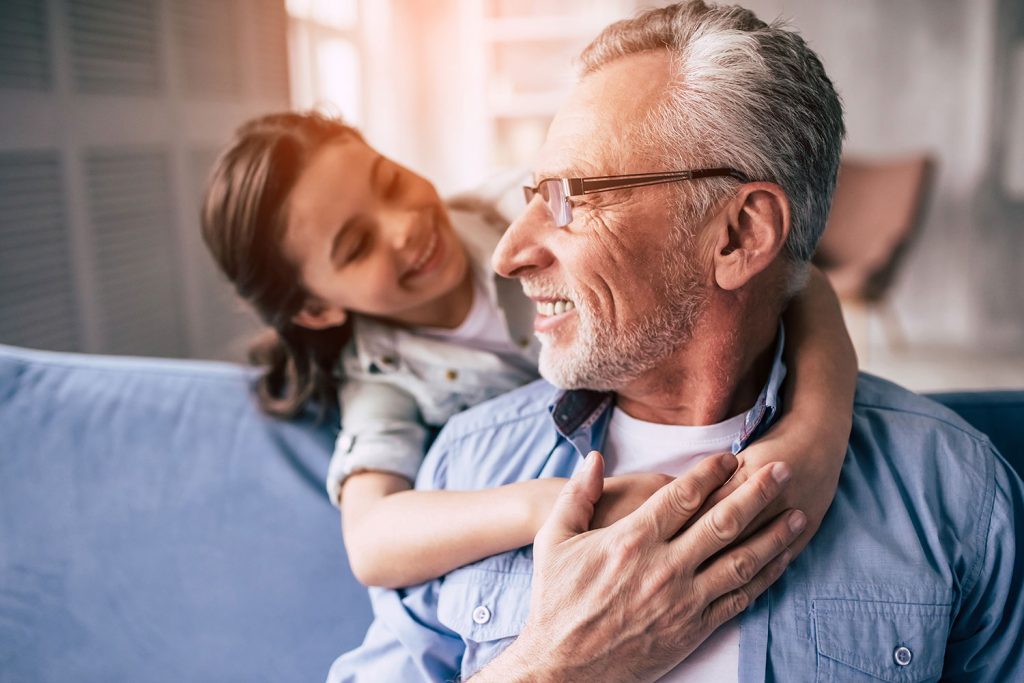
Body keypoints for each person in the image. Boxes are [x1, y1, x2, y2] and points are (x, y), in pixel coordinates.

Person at [327, 2, 1024, 681]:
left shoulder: (950, 490)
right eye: (533, 194)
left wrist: (817, 430)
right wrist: (554, 665)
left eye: (570, 197)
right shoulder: (467, 467)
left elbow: (803, 285)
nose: (508, 255)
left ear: (740, 235)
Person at [200, 109, 856, 589]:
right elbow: (372, 541)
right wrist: (551, 502)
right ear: (317, 308)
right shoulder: (381, 378)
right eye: (356, 246)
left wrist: (815, 435)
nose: (403, 227)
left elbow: (796, 280)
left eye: (389, 181)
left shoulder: (522, 202)